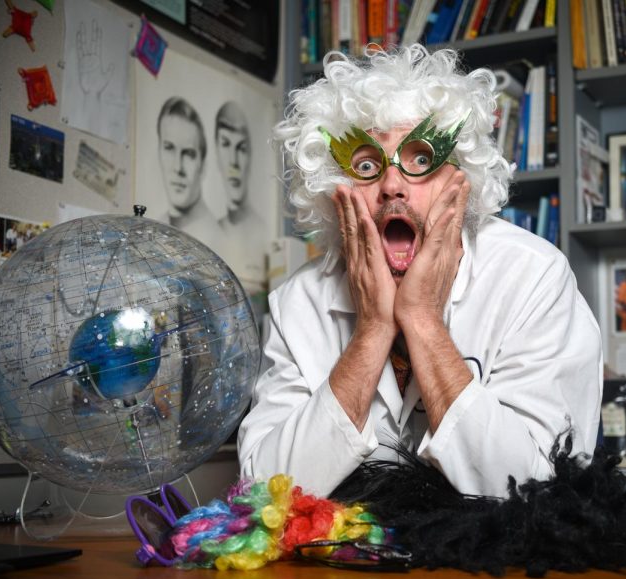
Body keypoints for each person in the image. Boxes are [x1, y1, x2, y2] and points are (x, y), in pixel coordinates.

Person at [237, 46, 602, 498]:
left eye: (422, 160)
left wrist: (423, 322)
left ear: (459, 179)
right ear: (335, 191)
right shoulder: (298, 303)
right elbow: (263, 493)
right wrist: (372, 331)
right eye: (366, 165)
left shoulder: (532, 277)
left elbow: (539, 490)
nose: (392, 185)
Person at [156, 96, 215, 233]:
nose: (178, 168)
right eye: (169, 148)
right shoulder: (154, 227)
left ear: (203, 166)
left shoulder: (215, 239)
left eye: (188, 154)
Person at [214, 101, 251, 225]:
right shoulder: (214, 228)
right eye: (225, 144)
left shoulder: (263, 229)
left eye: (241, 148)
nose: (233, 162)